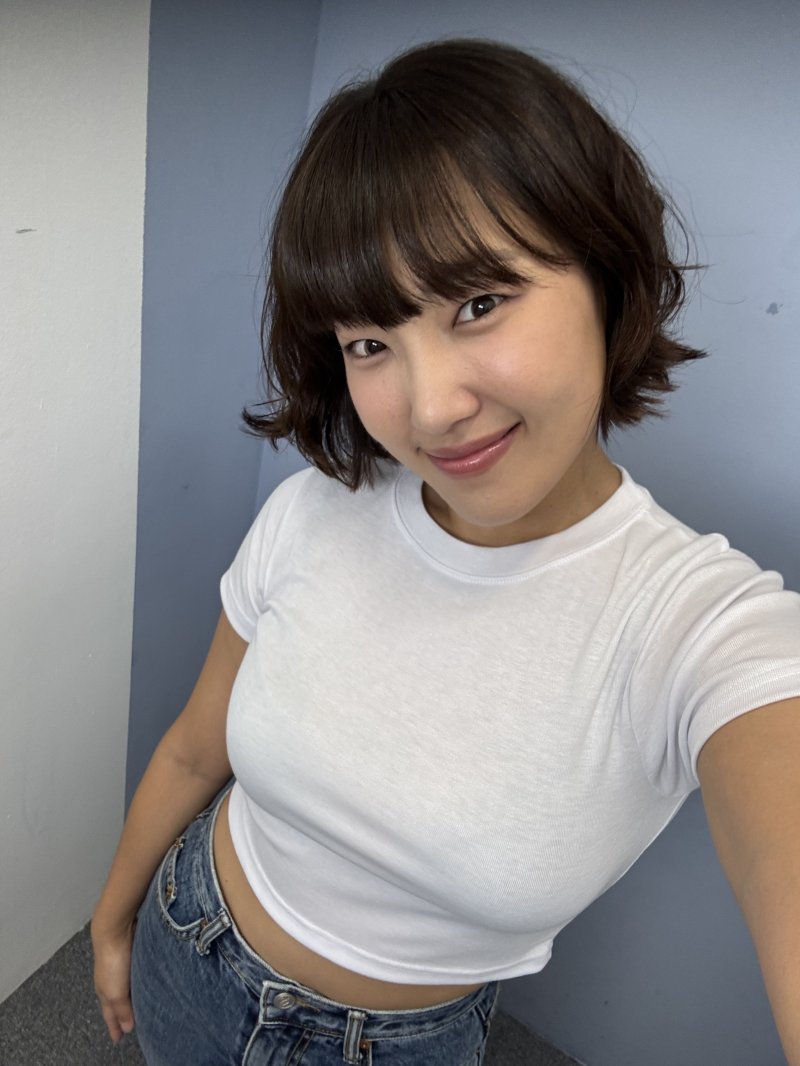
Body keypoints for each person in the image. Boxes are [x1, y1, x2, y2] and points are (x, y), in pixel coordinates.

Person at [91, 37, 800, 1066]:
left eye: (476, 304)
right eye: (369, 343)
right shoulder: (310, 513)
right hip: (187, 944)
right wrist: (112, 918)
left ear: (604, 276)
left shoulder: (698, 626)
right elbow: (194, 751)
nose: (429, 410)